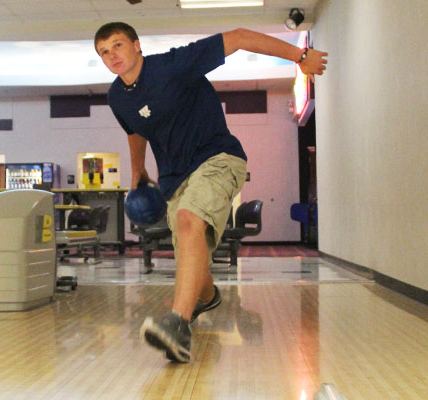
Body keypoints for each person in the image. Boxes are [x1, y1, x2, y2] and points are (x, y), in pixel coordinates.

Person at [94, 22, 327, 363]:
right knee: (195, 265)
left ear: (136, 45)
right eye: (103, 52)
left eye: (117, 45)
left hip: (217, 158)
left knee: (189, 220)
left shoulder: (173, 66)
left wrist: (300, 55)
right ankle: (209, 297)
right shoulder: (116, 96)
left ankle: (177, 323)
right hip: (175, 180)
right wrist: (138, 170)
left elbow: (239, 37)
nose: (111, 55)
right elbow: (135, 130)